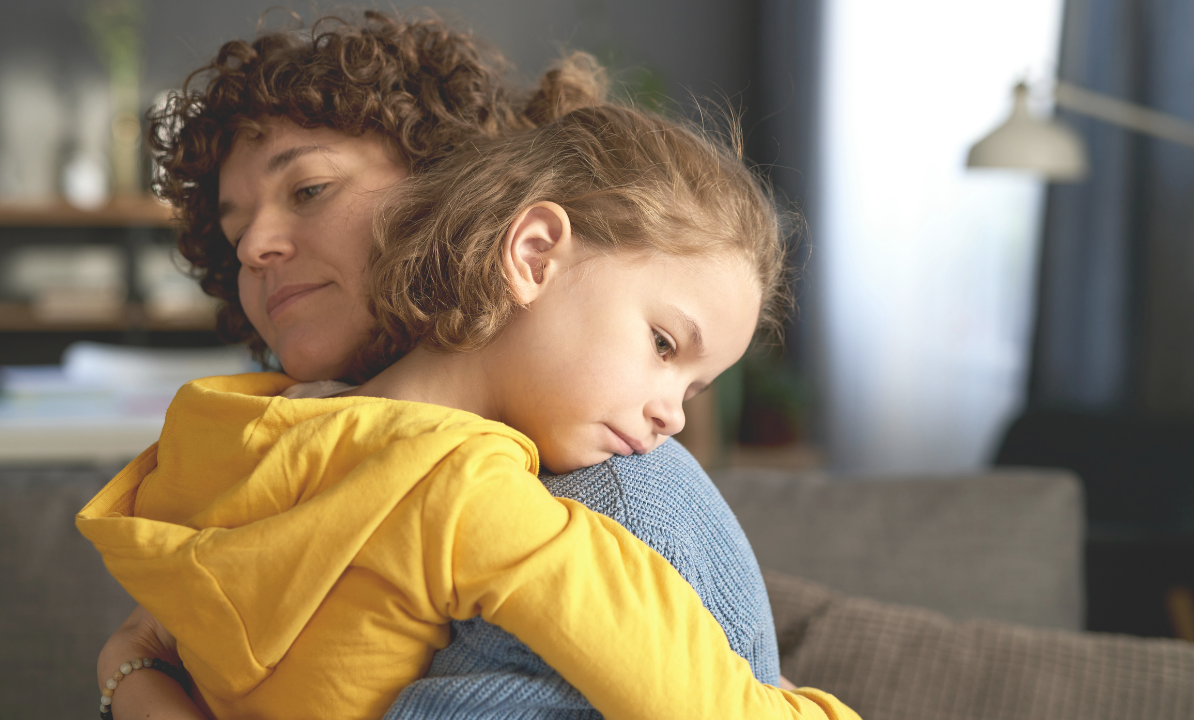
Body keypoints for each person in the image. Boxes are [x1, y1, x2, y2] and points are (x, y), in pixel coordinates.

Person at [96, 10, 789, 719]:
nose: (253, 248)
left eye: (309, 189)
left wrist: (132, 678)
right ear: (531, 253)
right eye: (235, 230)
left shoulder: (615, 486)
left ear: (443, 183)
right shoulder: (448, 482)